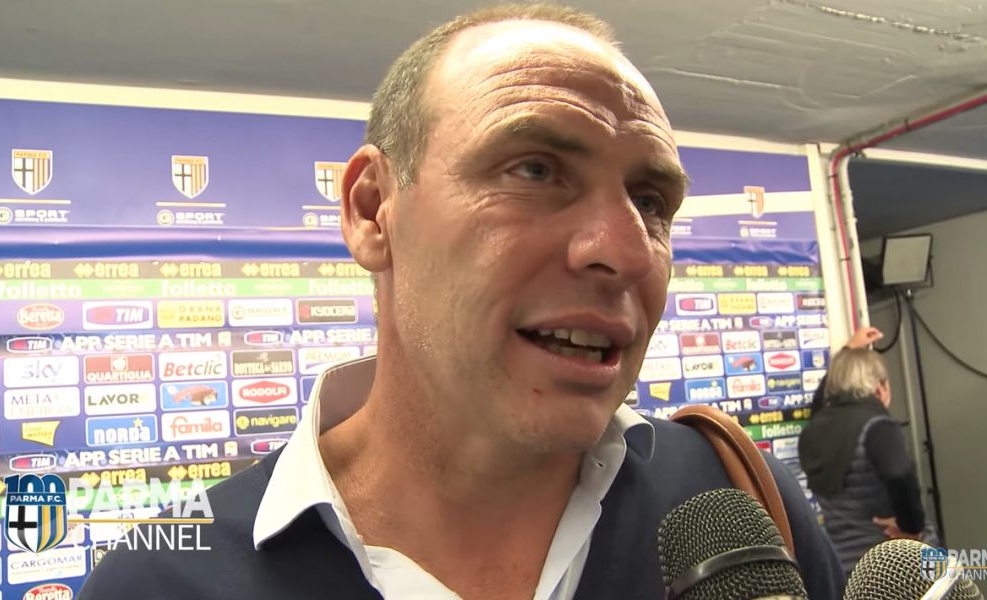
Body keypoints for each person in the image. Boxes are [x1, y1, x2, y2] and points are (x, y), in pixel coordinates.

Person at [81, 4, 845, 599]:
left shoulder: (736, 502)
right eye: (535, 170)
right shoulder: (159, 584)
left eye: (651, 202)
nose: (626, 251)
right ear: (373, 210)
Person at [798, 347, 929, 576]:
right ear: (880, 387)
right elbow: (899, 473)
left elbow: (818, 406)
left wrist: (848, 349)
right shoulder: (878, 426)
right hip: (896, 562)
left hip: (846, 568)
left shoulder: (811, 433)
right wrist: (912, 527)